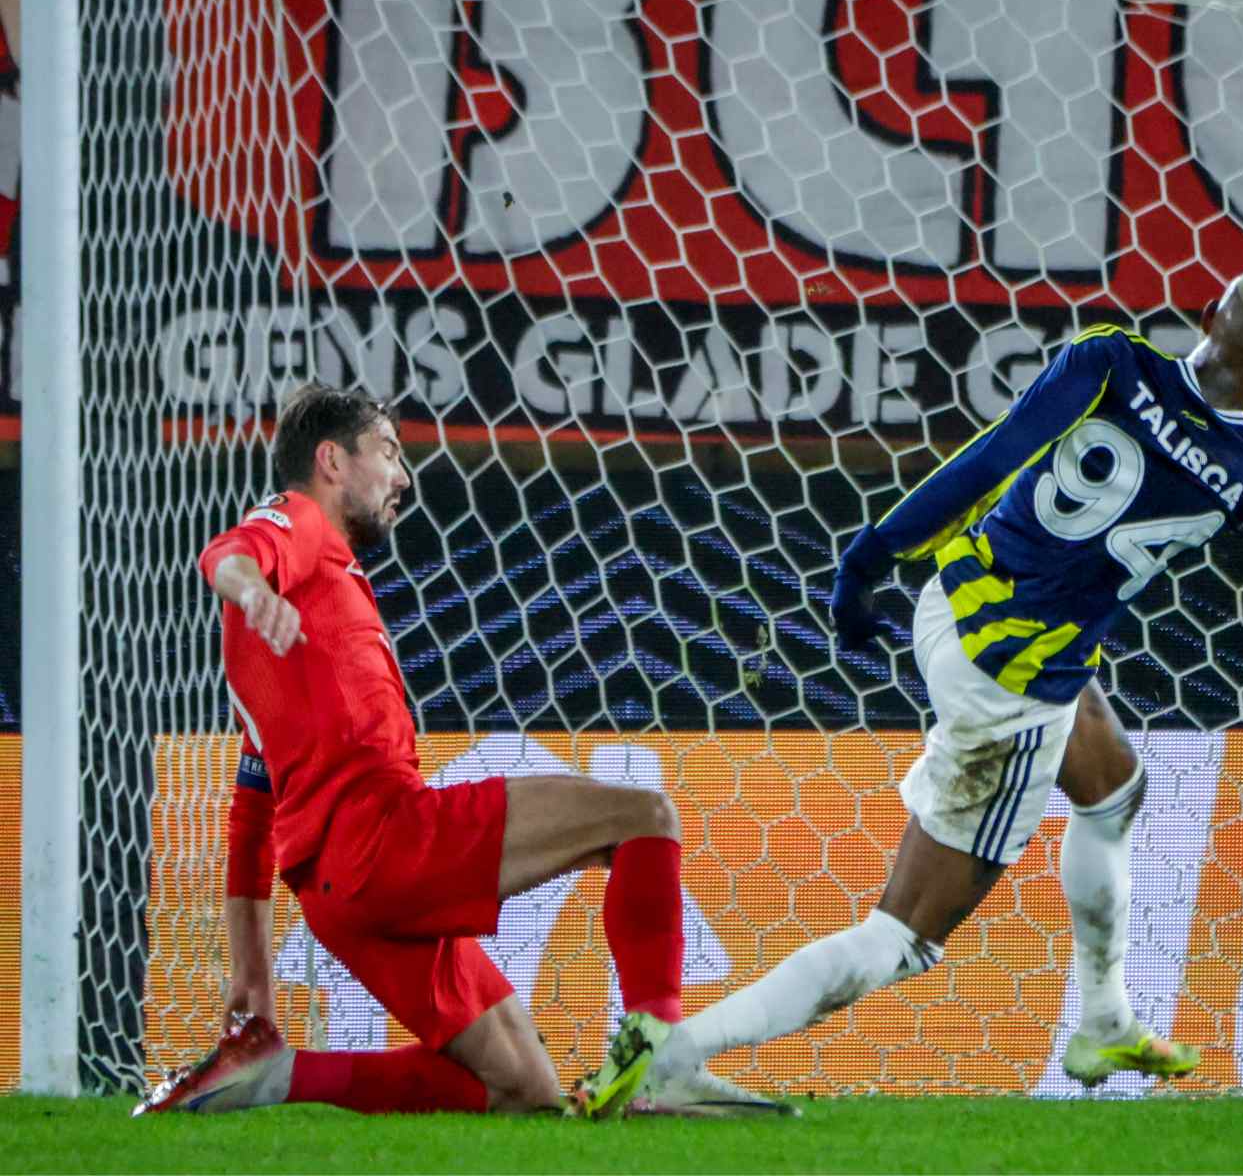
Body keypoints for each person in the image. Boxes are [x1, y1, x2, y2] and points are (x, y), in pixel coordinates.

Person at [570, 269, 1243, 1105]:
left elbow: (993, 456)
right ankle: (671, 1052)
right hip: (1015, 687)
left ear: (1205, 313)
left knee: (1112, 789)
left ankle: (1105, 1019)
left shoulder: (1109, 357)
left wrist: (871, 556)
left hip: (951, 603)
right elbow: (1208, 434)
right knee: (902, 937)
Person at [136, 384, 780, 1120]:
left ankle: (281, 1075)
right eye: (388, 453)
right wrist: (250, 588)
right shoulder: (299, 526)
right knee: (645, 817)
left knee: (524, 1088)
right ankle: (661, 1062)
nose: (403, 477)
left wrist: (251, 979)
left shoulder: (291, 630)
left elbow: (251, 812)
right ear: (331, 462)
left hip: (338, 896)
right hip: (386, 839)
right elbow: (230, 551)